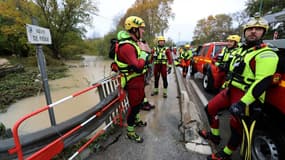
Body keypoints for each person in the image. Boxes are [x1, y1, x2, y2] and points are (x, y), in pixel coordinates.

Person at [198, 15, 279, 159]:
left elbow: (263, 82)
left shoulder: (266, 53)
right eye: (250, 29)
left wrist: (242, 104)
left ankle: (227, 153)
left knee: (235, 126)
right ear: (245, 32)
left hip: (247, 96)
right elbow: (227, 63)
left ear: (263, 32)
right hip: (231, 90)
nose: (253, 31)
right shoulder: (241, 50)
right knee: (209, 108)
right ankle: (215, 136)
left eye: (258, 29)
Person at [115, 16, 151, 143]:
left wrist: (147, 53)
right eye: (141, 28)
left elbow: (145, 62)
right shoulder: (126, 46)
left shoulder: (134, 43)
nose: (143, 31)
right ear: (134, 29)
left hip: (139, 80)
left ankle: (136, 121)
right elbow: (137, 67)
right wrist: (144, 53)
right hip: (132, 81)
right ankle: (130, 132)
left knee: (139, 102)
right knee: (134, 106)